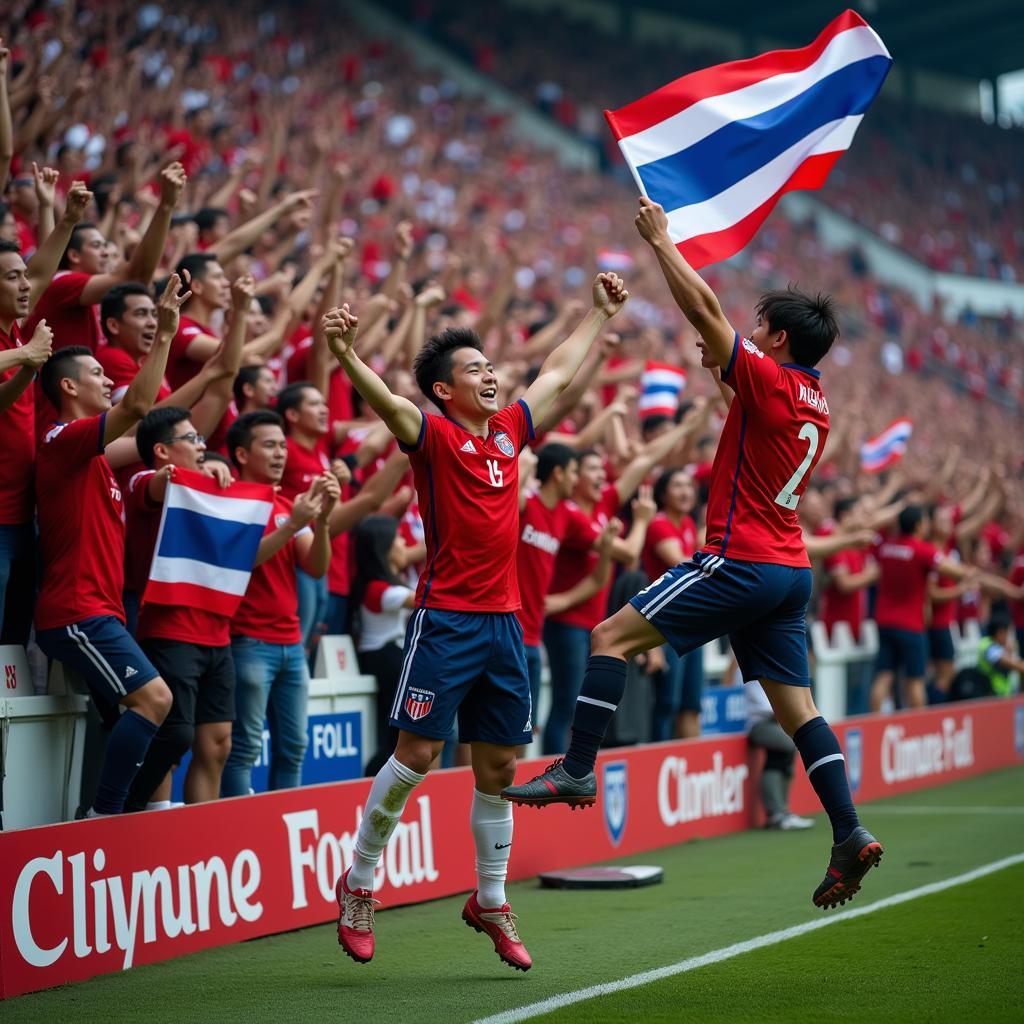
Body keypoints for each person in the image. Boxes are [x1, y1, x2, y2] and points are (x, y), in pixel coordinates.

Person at [503, 197, 881, 912]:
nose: (750, 330)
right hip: (790, 574)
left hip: (741, 559)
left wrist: (660, 241)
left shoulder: (769, 378)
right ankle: (847, 829)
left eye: (759, 325)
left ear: (773, 341)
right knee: (798, 710)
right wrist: (717, 367)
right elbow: (744, 393)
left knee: (610, 634)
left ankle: (578, 767)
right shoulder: (812, 400)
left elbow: (705, 309)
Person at [321, 271, 628, 970]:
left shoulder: (509, 435)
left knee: (499, 767)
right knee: (418, 757)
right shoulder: (430, 435)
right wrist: (346, 358)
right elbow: (392, 405)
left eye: (491, 367)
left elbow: (551, 378)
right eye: (475, 371)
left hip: (505, 627)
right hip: (445, 621)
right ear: (443, 391)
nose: (491, 377)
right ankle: (359, 883)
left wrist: (598, 317)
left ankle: (489, 899)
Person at [33, 274, 190, 815]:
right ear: (69, 388)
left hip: (104, 613)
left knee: (149, 718)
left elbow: (148, 437)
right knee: (156, 700)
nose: (106, 380)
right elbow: (139, 407)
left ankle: (116, 818)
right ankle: (102, 816)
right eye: (97, 373)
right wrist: (166, 333)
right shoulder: (60, 440)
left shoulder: (94, 455)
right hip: (77, 612)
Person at [121, 405, 242, 811]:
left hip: (217, 633)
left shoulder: (210, 488)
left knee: (219, 742)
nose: (201, 447)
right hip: (169, 632)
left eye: (201, 440)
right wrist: (195, 476)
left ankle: (200, 831)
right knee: (173, 740)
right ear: (161, 450)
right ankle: (150, 824)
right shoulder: (141, 481)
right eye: (191, 440)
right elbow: (159, 483)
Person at [220, 410, 338, 796]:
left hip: (290, 644)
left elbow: (316, 567)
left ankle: (278, 827)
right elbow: (238, 561)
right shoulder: (228, 499)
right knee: (245, 749)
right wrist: (292, 525)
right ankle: (238, 833)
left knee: (294, 748)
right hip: (250, 642)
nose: (280, 454)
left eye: (283, 446)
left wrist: (321, 522)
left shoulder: (288, 503)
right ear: (240, 455)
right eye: (269, 445)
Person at [870, 506, 974, 712]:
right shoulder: (922, 550)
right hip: (910, 625)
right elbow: (955, 571)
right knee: (915, 681)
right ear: (918, 525)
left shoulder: (886, 547)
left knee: (884, 676)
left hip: (884, 621)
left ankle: (874, 722)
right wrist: (970, 578)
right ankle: (918, 728)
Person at [642, 467, 705, 741]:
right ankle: (658, 763)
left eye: (689, 486)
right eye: (677, 485)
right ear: (663, 493)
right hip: (664, 624)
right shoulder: (658, 524)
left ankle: (688, 766)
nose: (685, 492)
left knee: (690, 705)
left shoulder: (689, 525)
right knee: (666, 703)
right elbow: (681, 562)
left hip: (691, 621)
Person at [351, 514, 416, 775]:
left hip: (388, 658)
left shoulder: (380, 585)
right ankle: (374, 779)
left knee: (394, 735)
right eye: (398, 538)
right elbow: (425, 598)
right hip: (385, 660)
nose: (404, 543)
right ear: (383, 547)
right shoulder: (378, 589)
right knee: (392, 738)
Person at [746, 679, 814, 831]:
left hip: (777, 722)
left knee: (783, 754)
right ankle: (776, 813)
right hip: (759, 725)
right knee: (788, 745)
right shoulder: (754, 668)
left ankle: (782, 812)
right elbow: (766, 708)